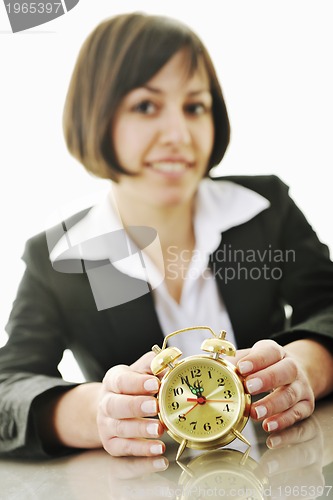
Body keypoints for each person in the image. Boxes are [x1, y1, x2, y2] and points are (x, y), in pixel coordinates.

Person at [1, 12, 333, 460]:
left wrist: (307, 369)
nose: (179, 135)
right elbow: (9, 387)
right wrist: (97, 411)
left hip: (286, 469)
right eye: (145, 106)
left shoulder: (263, 209)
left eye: (195, 107)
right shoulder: (62, 256)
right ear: (95, 116)